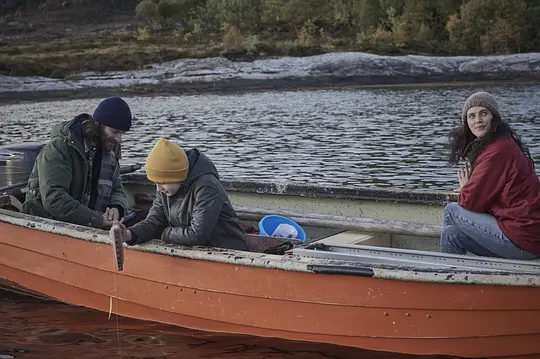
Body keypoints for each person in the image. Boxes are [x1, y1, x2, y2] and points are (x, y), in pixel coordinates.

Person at [440, 91, 540, 259]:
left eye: (483, 113)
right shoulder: (502, 143)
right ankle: (452, 280)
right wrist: (470, 189)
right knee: (451, 235)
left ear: (494, 118)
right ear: (467, 123)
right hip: (524, 235)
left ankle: (448, 274)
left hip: (523, 239)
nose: (477, 120)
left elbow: (470, 202)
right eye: (471, 116)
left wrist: (466, 189)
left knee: (452, 210)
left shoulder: (497, 151)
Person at [118, 138, 251, 251]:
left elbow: (197, 234)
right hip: (198, 252)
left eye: (163, 183)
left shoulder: (207, 187)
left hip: (227, 250)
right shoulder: (167, 189)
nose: (158, 189)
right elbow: (154, 221)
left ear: (178, 177)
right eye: (155, 183)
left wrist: (165, 233)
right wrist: (129, 234)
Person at [22, 97, 132, 229]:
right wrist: (97, 220)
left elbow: (117, 188)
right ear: (98, 125)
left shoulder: (111, 148)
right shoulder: (60, 148)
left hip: (88, 223)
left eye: (122, 134)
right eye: (114, 132)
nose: (118, 139)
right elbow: (54, 198)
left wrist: (116, 207)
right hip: (45, 223)